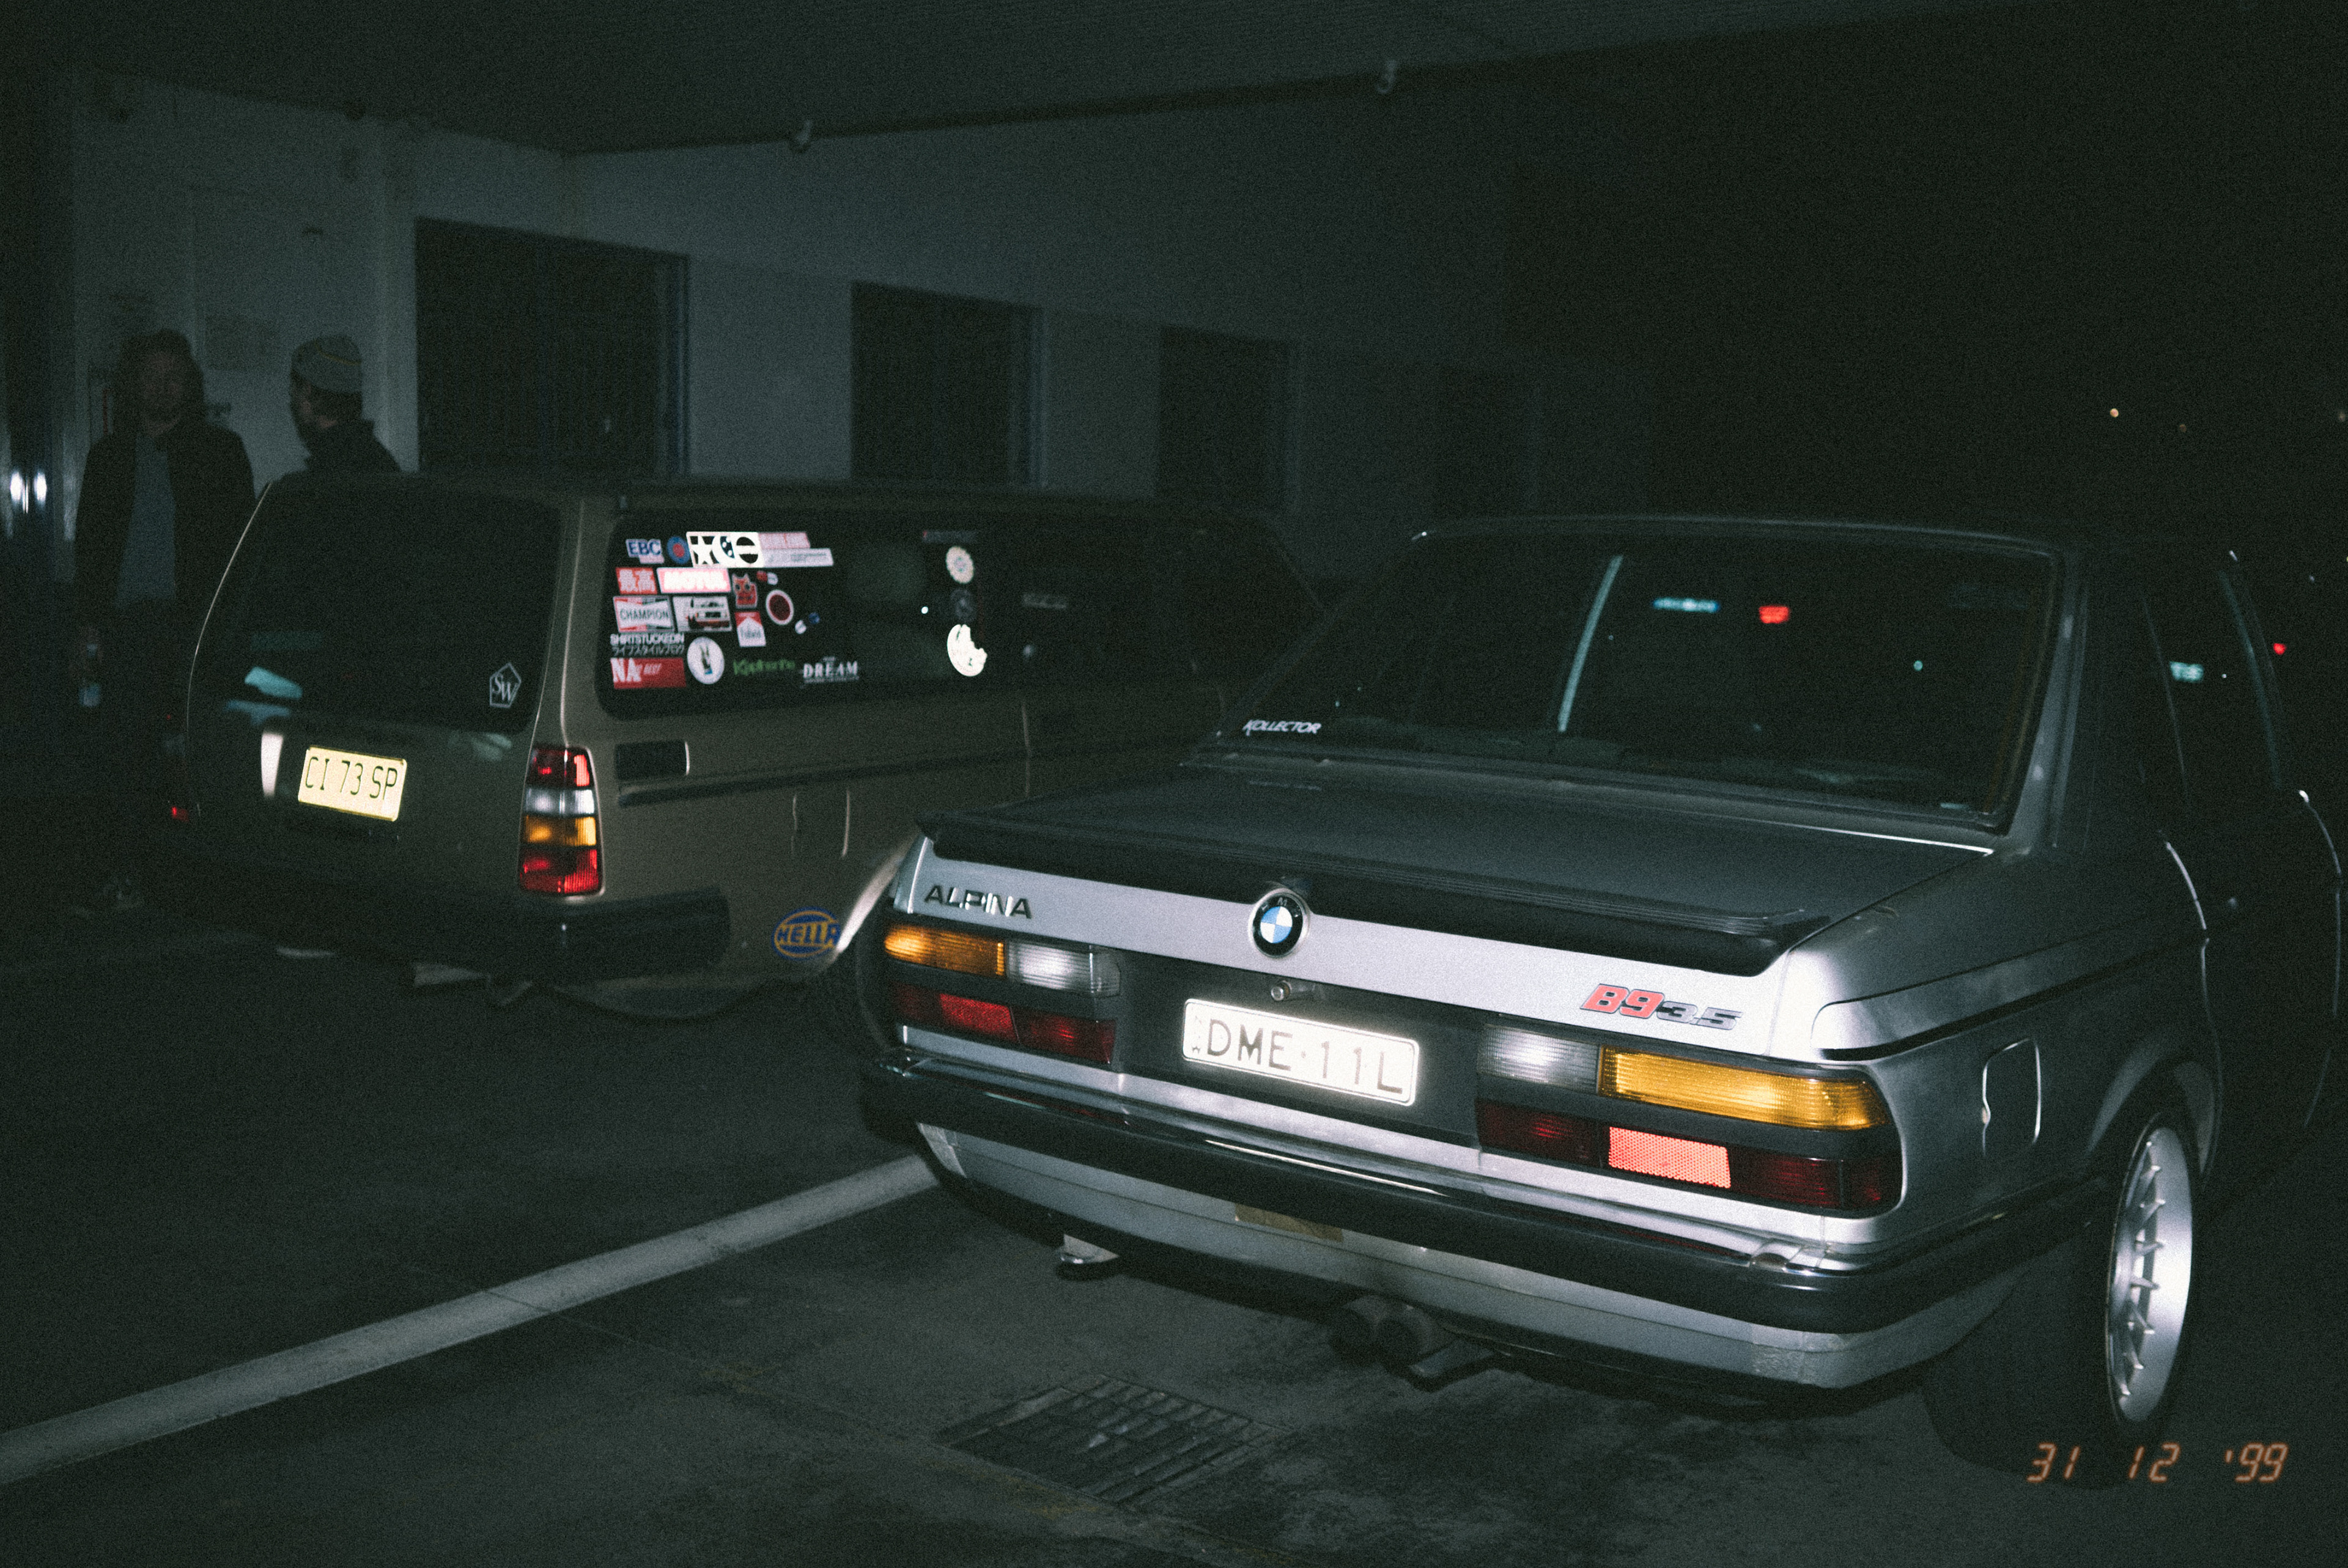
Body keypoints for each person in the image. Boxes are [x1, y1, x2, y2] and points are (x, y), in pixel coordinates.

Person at [70, 329, 256, 913]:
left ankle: (195, 883)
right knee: (123, 756)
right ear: (133, 385)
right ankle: (127, 875)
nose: (162, 387)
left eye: (173, 376)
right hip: (126, 631)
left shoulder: (219, 452)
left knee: (190, 756)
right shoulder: (109, 457)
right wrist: (88, 625)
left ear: (189, 384)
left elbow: (239, 544)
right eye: (151, 376)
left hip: (190, 630)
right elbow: (91, 548)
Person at [288, 334, 400, 473]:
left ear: (307, 390)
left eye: (294, 387)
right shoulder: (381, 460)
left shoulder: (327, 468)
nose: (292, 394)